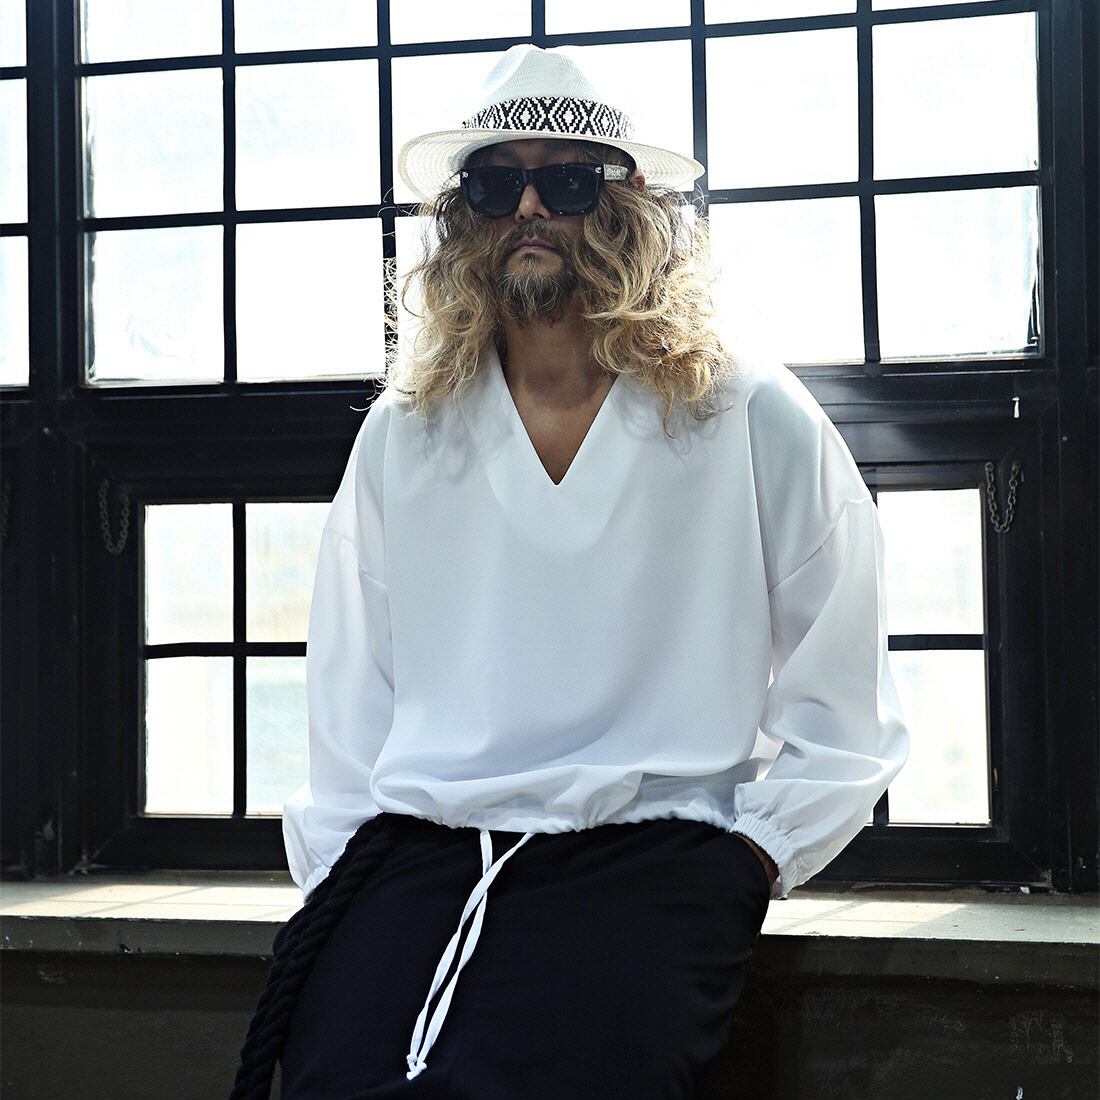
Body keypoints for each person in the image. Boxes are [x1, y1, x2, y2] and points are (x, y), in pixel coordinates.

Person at [230, 43, 909, 1100]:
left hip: (655, 853)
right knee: (337, 1078)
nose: (530, 207)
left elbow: (844, 680)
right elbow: (352, 696)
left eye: (570, 181)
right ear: (462, 217)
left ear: (629, 205)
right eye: (496, 184)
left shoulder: (746, 410)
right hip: (423, 851)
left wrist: (753, 853)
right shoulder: (407, 432)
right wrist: (346, 879)